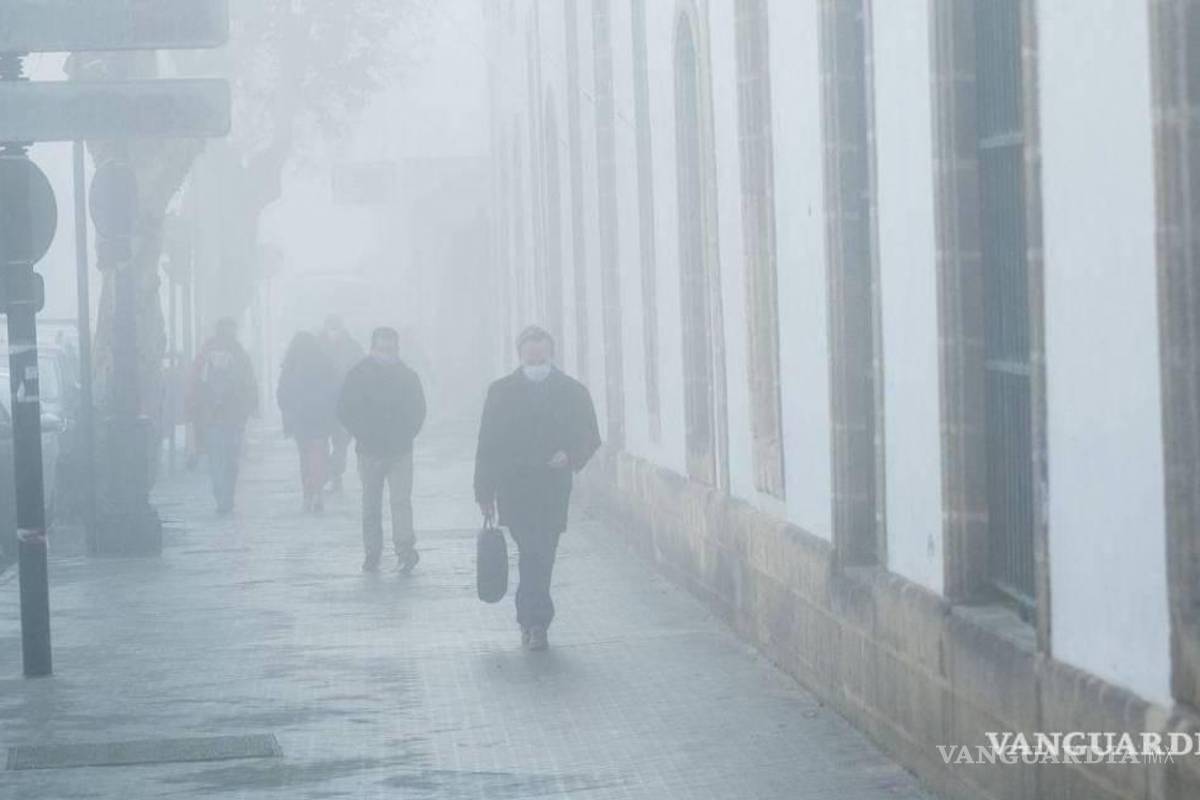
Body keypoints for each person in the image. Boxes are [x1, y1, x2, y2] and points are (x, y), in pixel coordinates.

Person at [474, 325, 600, 651]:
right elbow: (487, 444)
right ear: (520, 355)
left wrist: (571, 455)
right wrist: (484, 493)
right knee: (532, 552)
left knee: (543, 553)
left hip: (552, 487)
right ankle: (535, 621)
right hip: (514, 487)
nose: (535, 359)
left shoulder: (572, 391)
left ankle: (532, 620)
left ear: (550, 352)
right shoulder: (500, 391)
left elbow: (590, 435)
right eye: (529, 354)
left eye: (540, 353)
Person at [338, 326, 426, 573]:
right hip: (369, 451)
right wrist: (363, 433)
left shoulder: (408, 376)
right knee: (371, 503)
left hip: (400, 450)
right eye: (382, 348)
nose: (386, 353)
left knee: (400, 501)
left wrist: (406, 434)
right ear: (373, 348)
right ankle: (372, 552)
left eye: (390, 349)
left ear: (397, 349)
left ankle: (405, 550)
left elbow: (418, 410)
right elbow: (345, 409)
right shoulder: (357, 375)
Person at [187, 317, 258, 514]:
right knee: (231, 459)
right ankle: (227, 496)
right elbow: (249, 383)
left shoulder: (205, 353)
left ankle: (221, 495)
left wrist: (192, 408)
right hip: (232, 417)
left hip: (211, 417)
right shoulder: (239, 353)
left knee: (217, 458)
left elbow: (193, 382)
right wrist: (251, 406)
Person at [277, 331, 339, 513]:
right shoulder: (325, 362)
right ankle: (318, 490)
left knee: (304, 456)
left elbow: (282, 393)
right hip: (321, 416)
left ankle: (307, 493)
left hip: (300, 418)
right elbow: (336, 389)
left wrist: (287, 412)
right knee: (320, 453)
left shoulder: (290, 365)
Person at [320, 315, 365, 492]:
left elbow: (362, 370)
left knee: (341, 442)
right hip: (322, 404)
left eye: (336, 327)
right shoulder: (317, 346)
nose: (333, 332)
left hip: (346, 402)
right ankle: (325, 473)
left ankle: (335, 474)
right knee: (321, 442)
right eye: (330, 327)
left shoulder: (353, 347)